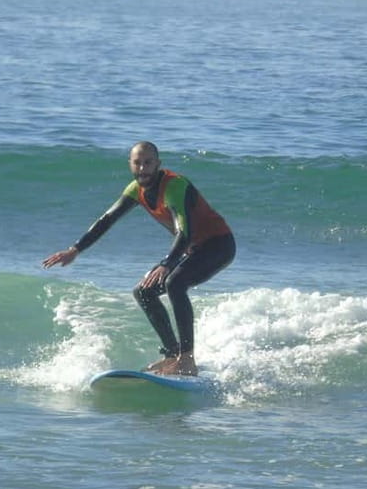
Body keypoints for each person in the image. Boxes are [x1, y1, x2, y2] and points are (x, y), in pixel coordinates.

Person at [42, 141, 235, 376]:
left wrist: (166, 264)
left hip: (219, 245)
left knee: (175, 283)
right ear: (130, 164)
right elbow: (107, 220)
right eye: (137, 163)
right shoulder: (136, 190)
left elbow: (184, 232)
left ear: (158, 164)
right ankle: (172, 355)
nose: (142, 169)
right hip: (193, 250)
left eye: (148, 163)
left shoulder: (175, 186)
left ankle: (187, 360)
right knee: (143, 292)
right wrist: (75, 250)